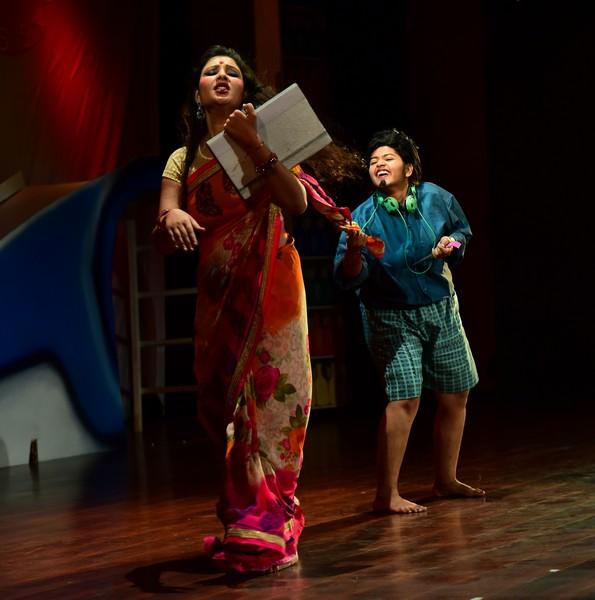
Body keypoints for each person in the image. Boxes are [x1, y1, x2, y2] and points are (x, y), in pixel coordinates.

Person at [153, 44, 356, 574]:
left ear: (246, 89)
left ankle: (268, 528)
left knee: (271, 400)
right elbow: (164, 226)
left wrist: (251, 144)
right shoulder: (183, 158)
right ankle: (247, 522)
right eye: (210, 71)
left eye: (232, 72)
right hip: (218, 297)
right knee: (224, 408)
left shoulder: (266, 136)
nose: (222, 76)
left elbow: (296, 202)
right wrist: (171, 219)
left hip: (273, 289)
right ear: (198, 92)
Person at [334, 128, 484, 514]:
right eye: (373, 161)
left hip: (440, 305)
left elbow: (461, 233)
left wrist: (451, 244)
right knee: (404, 398)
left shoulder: (436, 198)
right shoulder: (362, 218)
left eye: (388, 158)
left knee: (456, 392)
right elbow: (349, 277)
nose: (379, 164)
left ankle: (446, 479)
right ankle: (386, 494)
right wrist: (353, 251)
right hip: (390, 315)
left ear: (409, 168)